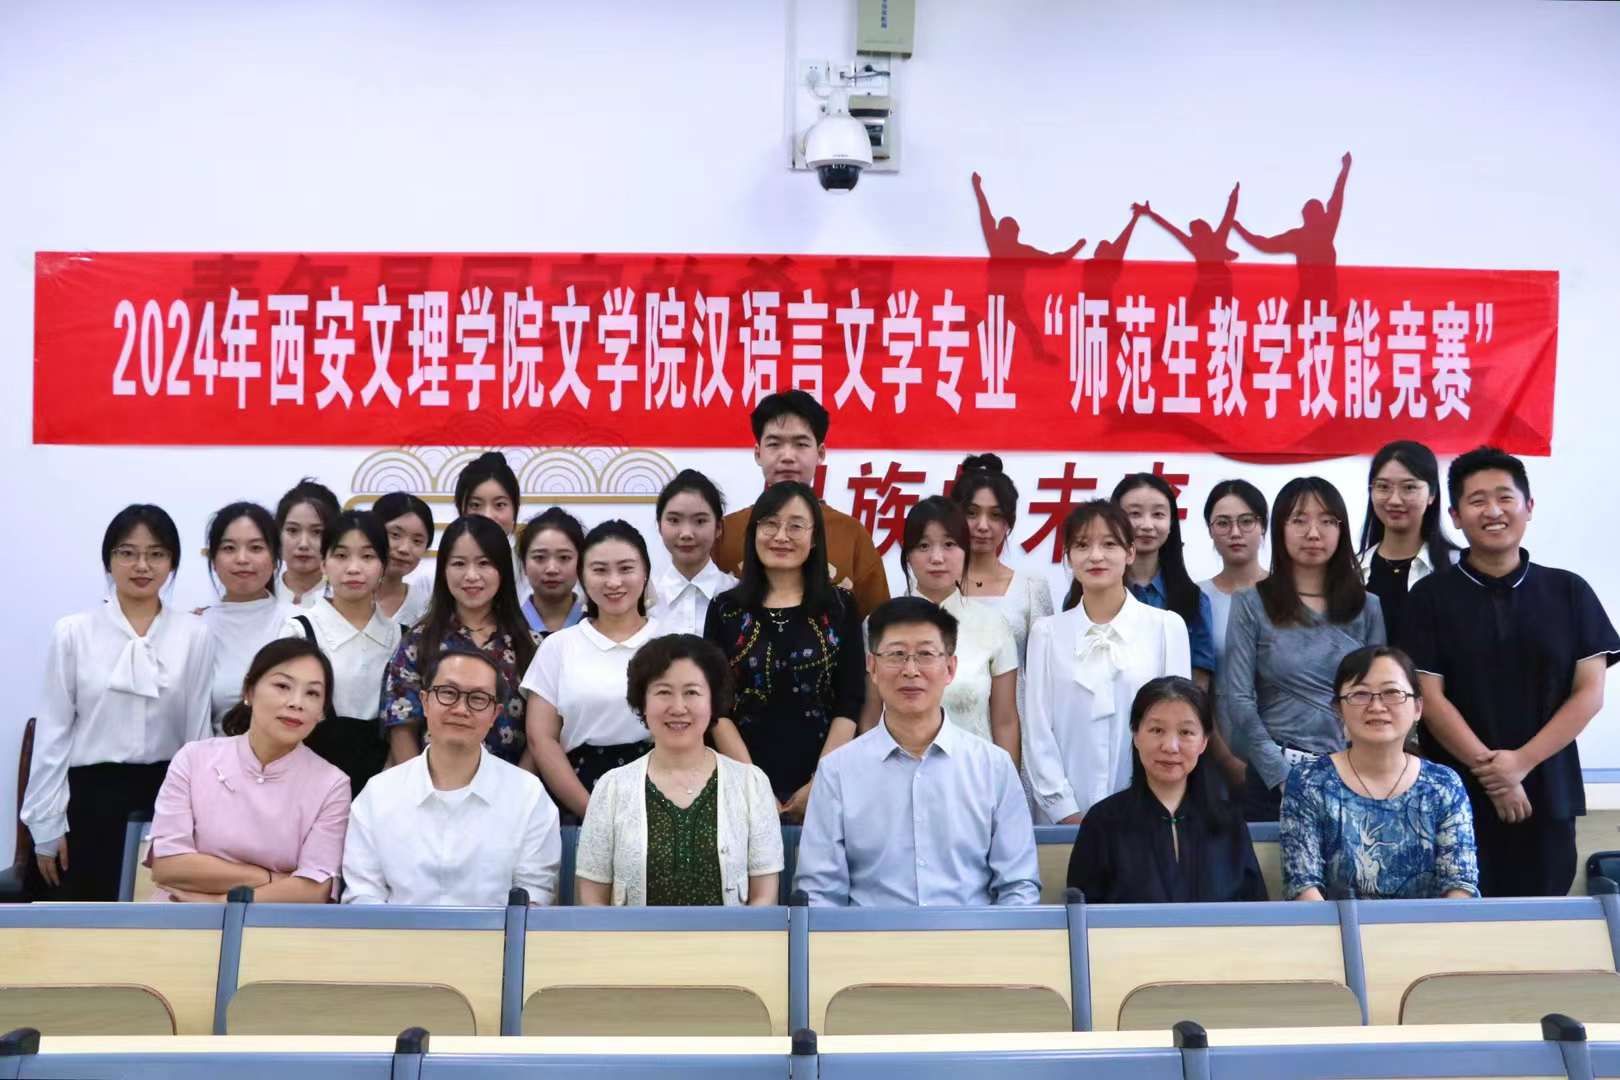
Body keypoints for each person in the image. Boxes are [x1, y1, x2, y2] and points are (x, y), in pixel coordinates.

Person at [1406, 446, 1619, 897]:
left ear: (1529, 506)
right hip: (1457, 796)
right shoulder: (1429, 598)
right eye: (1477, 500)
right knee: (1455, 922)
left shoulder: (1569, 591)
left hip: (1549, 793)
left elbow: (1589, 694)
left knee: (1542, 920)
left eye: (1505, 497)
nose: (1493, 511)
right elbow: (1429, 698)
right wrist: (1495, 776)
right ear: (1456, 516)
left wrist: (1520, 763)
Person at [25, 505, 215, 901]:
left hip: (164, 801)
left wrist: (198, 821)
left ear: (172, 563)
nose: (142, 565)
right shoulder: (74, 632)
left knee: (154, 925)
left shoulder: (194, 635)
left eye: (156, 554)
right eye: (127, 553)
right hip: (87, 801)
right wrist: (46, 825)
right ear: (108, 560)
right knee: (76, 923)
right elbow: (53, 734)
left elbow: (197, 737)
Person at [796, 597, 1040, 906]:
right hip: (871, 936)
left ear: (950, 668)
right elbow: (819, 893)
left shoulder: (993, 767)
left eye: (925, 654)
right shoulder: (837, 771)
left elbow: (1018, 886)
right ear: (872, 667)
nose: (910, 670)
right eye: (896, 655)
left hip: (972, 935)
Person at [1219, 477, 1385, 821]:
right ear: (1279, 528)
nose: (1313, 533)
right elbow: (1238, 699)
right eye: (1299, 520)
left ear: (1341, 530)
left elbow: (1377, 696)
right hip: (1271, 779)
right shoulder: (1251, 603)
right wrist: (1281, 776)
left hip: (1351, 776)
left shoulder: (1367, 607)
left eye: (1327, 521)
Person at [343, 646, 561, 905]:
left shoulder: (528, 795)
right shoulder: (378, 794)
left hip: (497, 933)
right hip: (395, 932)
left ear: (495, 714)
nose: (460, 709)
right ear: (425, 702)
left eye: (478, 698)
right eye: (448, 693)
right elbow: (363, 895)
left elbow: (534, 897)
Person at [576, 635, 782, 906]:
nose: (678, 707)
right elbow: (592, 899)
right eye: (663, 692)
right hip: (632, 936)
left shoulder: (751, 784)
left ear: (713, 701)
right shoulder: (611, 788)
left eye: (692, 692)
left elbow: (765, 897)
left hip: (732, 936)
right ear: (643, 702)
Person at [703, 483, 865, 821]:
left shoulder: (840, 607)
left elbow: (849, 701)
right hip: (740, 782)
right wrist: (753, 784)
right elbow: (716, 706)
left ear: (815, 537)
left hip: (825, 780)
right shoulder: (725, 609)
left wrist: (822, 782)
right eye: (770, 524)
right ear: (754, 532)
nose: (781, 536)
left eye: (795, 526)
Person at [1023, 501, 1191, 825]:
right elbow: (1037, 731)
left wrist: (1151, 805)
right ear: (1068, 557)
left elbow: (1177, 726)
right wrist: (1066, 813)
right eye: (1082, 545)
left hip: (1147, 815)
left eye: (1109, 544)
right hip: (1064, 821)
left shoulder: (1166, 627)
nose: (1096, 556)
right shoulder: (1047, 633)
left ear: (1130, 552)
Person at [147, 638, 350, 903]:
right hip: (181, 916)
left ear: (322, 712)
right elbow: (167, 866)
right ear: (249, 691)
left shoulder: (332, 784)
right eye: (282, 686)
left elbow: (315, 890)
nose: (296, 703)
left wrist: (219, 904)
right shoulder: (194, 759)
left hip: (273, 923)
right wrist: (271, 879)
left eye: (312, 693)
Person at [1281, 646, 1478, 900]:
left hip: (1434, 926)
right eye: (1360, 694)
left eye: (1391, 693)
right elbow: (1303, 885)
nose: (1376, 706)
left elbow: (1460, 886)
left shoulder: (1443, 784)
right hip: (1337, 925)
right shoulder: (1309, 781)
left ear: (1418, 707)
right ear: (1338, 709)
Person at [1066, 677, 1265, 903]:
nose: (1170, 746)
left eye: (1186, 732)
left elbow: (1256, 912)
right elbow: (1082, 916)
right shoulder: (1103, 823)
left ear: (1204, 742)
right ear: (1136, 735)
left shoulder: (1229, 823)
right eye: (1157, 730)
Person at [858, 497, 1019, 765]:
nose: (936, 558)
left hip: (975, 775)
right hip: (896, 773)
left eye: (949, 544)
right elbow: (870, 714)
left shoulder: (993, 624)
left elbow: (1006, 721)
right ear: (908, 555)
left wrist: (1006, 782)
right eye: (923, 546)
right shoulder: (877, 624)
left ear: (966, 551)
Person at [523, 520, 663, 819]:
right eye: (600, 570)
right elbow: (541, 739)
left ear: (645, 572)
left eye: (626, 569)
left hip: (661, 793)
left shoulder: (673, 643)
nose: (613, 582)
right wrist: (592, 813)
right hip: (576, 796)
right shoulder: (558, 647)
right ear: (583, 577)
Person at [711, 391, 889, 617]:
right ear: (758, 453)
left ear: (820, 453)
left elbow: (879, 624)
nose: (787, 456)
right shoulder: (726, 532)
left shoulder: (851, 533)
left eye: (801, 444)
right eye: (774, 444)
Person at [384, 515, 539, 768]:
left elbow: (541, 733)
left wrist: (519, 787)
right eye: (458, 563)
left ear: (503, 570)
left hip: (513, 785)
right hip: (431, 783)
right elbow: (402, 727)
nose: (471, 575)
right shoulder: (417, 642)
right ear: (443, 570)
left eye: (484, 563)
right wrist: (419, 785)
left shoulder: (531, 645)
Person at [281, 510, 399, 796]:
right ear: (323, 562)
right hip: (306, 784)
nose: (354, 568)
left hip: (384, 787)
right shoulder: (300, 631)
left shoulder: (401, 637)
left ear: (383, 565)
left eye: (367, 556)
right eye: (341, 555)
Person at [951, 453, 1055, 716]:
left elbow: (1046, 675)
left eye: (995, 515)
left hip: (1013, 722)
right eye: (971, 513)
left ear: (1008, 522)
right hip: (944, 725)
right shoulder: (931, 583)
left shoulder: (1031, 588)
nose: (982, 526)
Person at [1111, 474, 1216, 687]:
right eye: (1134, 514)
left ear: (1171, 523)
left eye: (1158, 514)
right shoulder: (1090, 593)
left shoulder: (1193, 599)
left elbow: (1199, 681)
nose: (1147, 525)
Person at [196, 501, 289, 732]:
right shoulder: (196, 628)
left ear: (275, 558)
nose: (242, 559)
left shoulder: (298, 623)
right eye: (229, 548)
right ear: (213, 560)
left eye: (256, 548)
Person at [1357, 441, 1460, 648]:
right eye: (1383, 487)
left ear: (1432, 494)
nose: (1394, 500)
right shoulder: (1353, 570)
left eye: (1409, 487)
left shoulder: (1458, 565)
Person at [649, 469, 738, 636]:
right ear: (659, 525)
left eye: (700, 521)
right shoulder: (643, 601)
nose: (686, 534)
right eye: (674, 520)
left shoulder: (740, 596)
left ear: (719, 527)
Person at [455, 450, 526, 599]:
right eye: (475, 505)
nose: (487, 516)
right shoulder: (434, 577)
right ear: (461, 510)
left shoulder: (531, 573)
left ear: (515, 508)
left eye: (499, 505)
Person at [518, 507, 587, 636]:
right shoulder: (505, 627)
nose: (552, 569)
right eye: (539, 557)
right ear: (524, 563)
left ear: (581, 563)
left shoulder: (596, 626)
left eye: (564, 557)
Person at [274, 478, 341, 609]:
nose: (303, 544)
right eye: (293, 530)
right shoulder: (260, 593)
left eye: (317, 532)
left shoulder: (346, 599)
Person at [372, 492, 435, 629]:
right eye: (395, 535)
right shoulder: (337, 596)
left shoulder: (425, 608)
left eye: (417, 541)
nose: (404, 549)